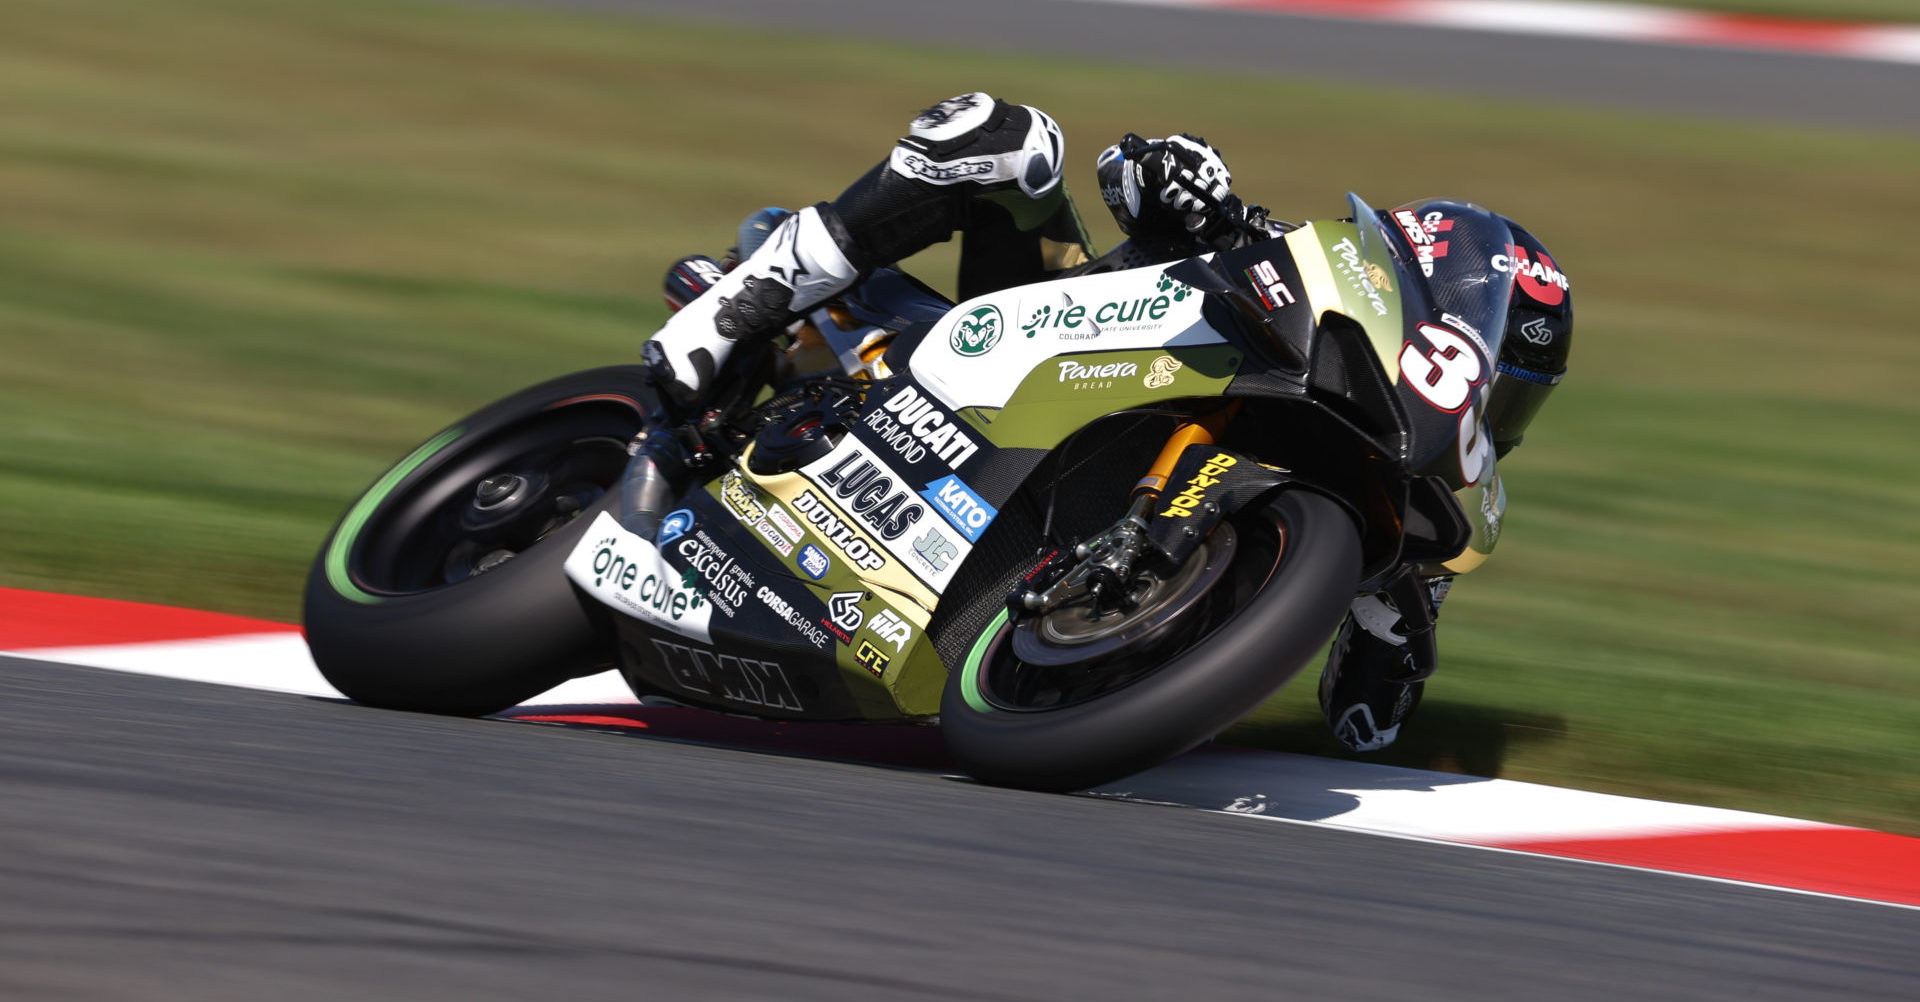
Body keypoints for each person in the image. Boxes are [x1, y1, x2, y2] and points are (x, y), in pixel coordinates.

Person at [642, 92, 1573, 754]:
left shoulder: (1410, 520)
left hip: (1042, 489)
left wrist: (1396, 611)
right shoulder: (1282, 261)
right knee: (1007, 135)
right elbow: (1126, 170)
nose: (1489, 394)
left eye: (1514, 387)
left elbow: (1365, 728)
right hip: (1021, 336)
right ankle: (741, 307)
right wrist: (1176, 185)